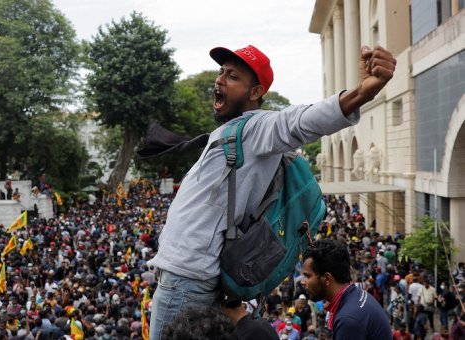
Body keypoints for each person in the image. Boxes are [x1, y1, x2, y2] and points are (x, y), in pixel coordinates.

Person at [148, 42, 396, 340]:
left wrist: (362, 92)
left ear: (255, 93)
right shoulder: (231, 131)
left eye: (232, 76)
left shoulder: (258, 127)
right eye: (221, 72)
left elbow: (298, 122)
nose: (220, 80)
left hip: (187, 281)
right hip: (186, 279)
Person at [300, 239, 392, 339]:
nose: (302, 282)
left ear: (327, 278)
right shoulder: (356, 295)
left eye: (307, 276)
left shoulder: (347, 320)